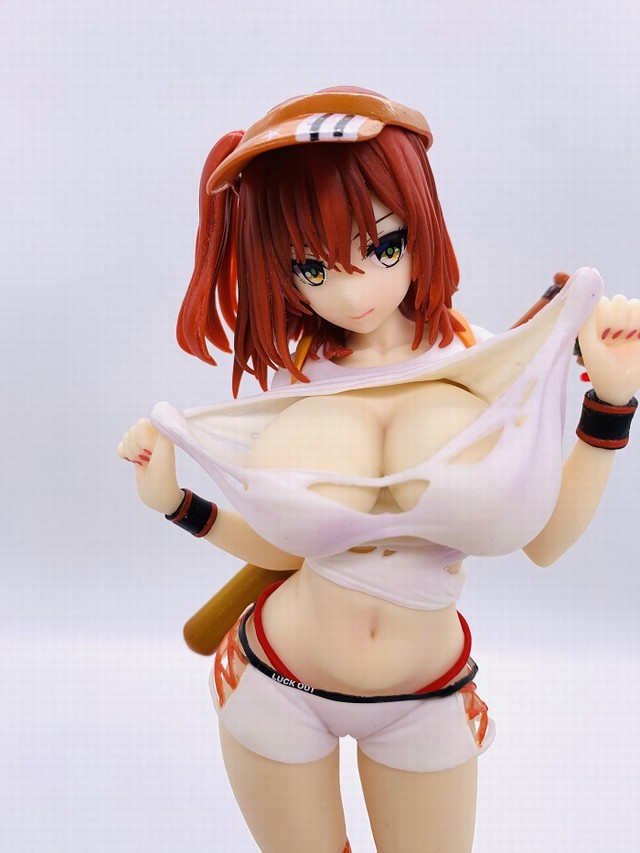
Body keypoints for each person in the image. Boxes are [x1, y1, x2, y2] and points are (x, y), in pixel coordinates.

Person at [118, 88, 640, 853]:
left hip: (423, 698)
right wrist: (175, 502)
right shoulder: (295, 378)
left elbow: (546, 540)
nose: (354, 291)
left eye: (384, 246)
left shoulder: (486, 364)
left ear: (421, 223)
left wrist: (611, 404)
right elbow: (284, 548)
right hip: (277, 684)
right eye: (312, 266)